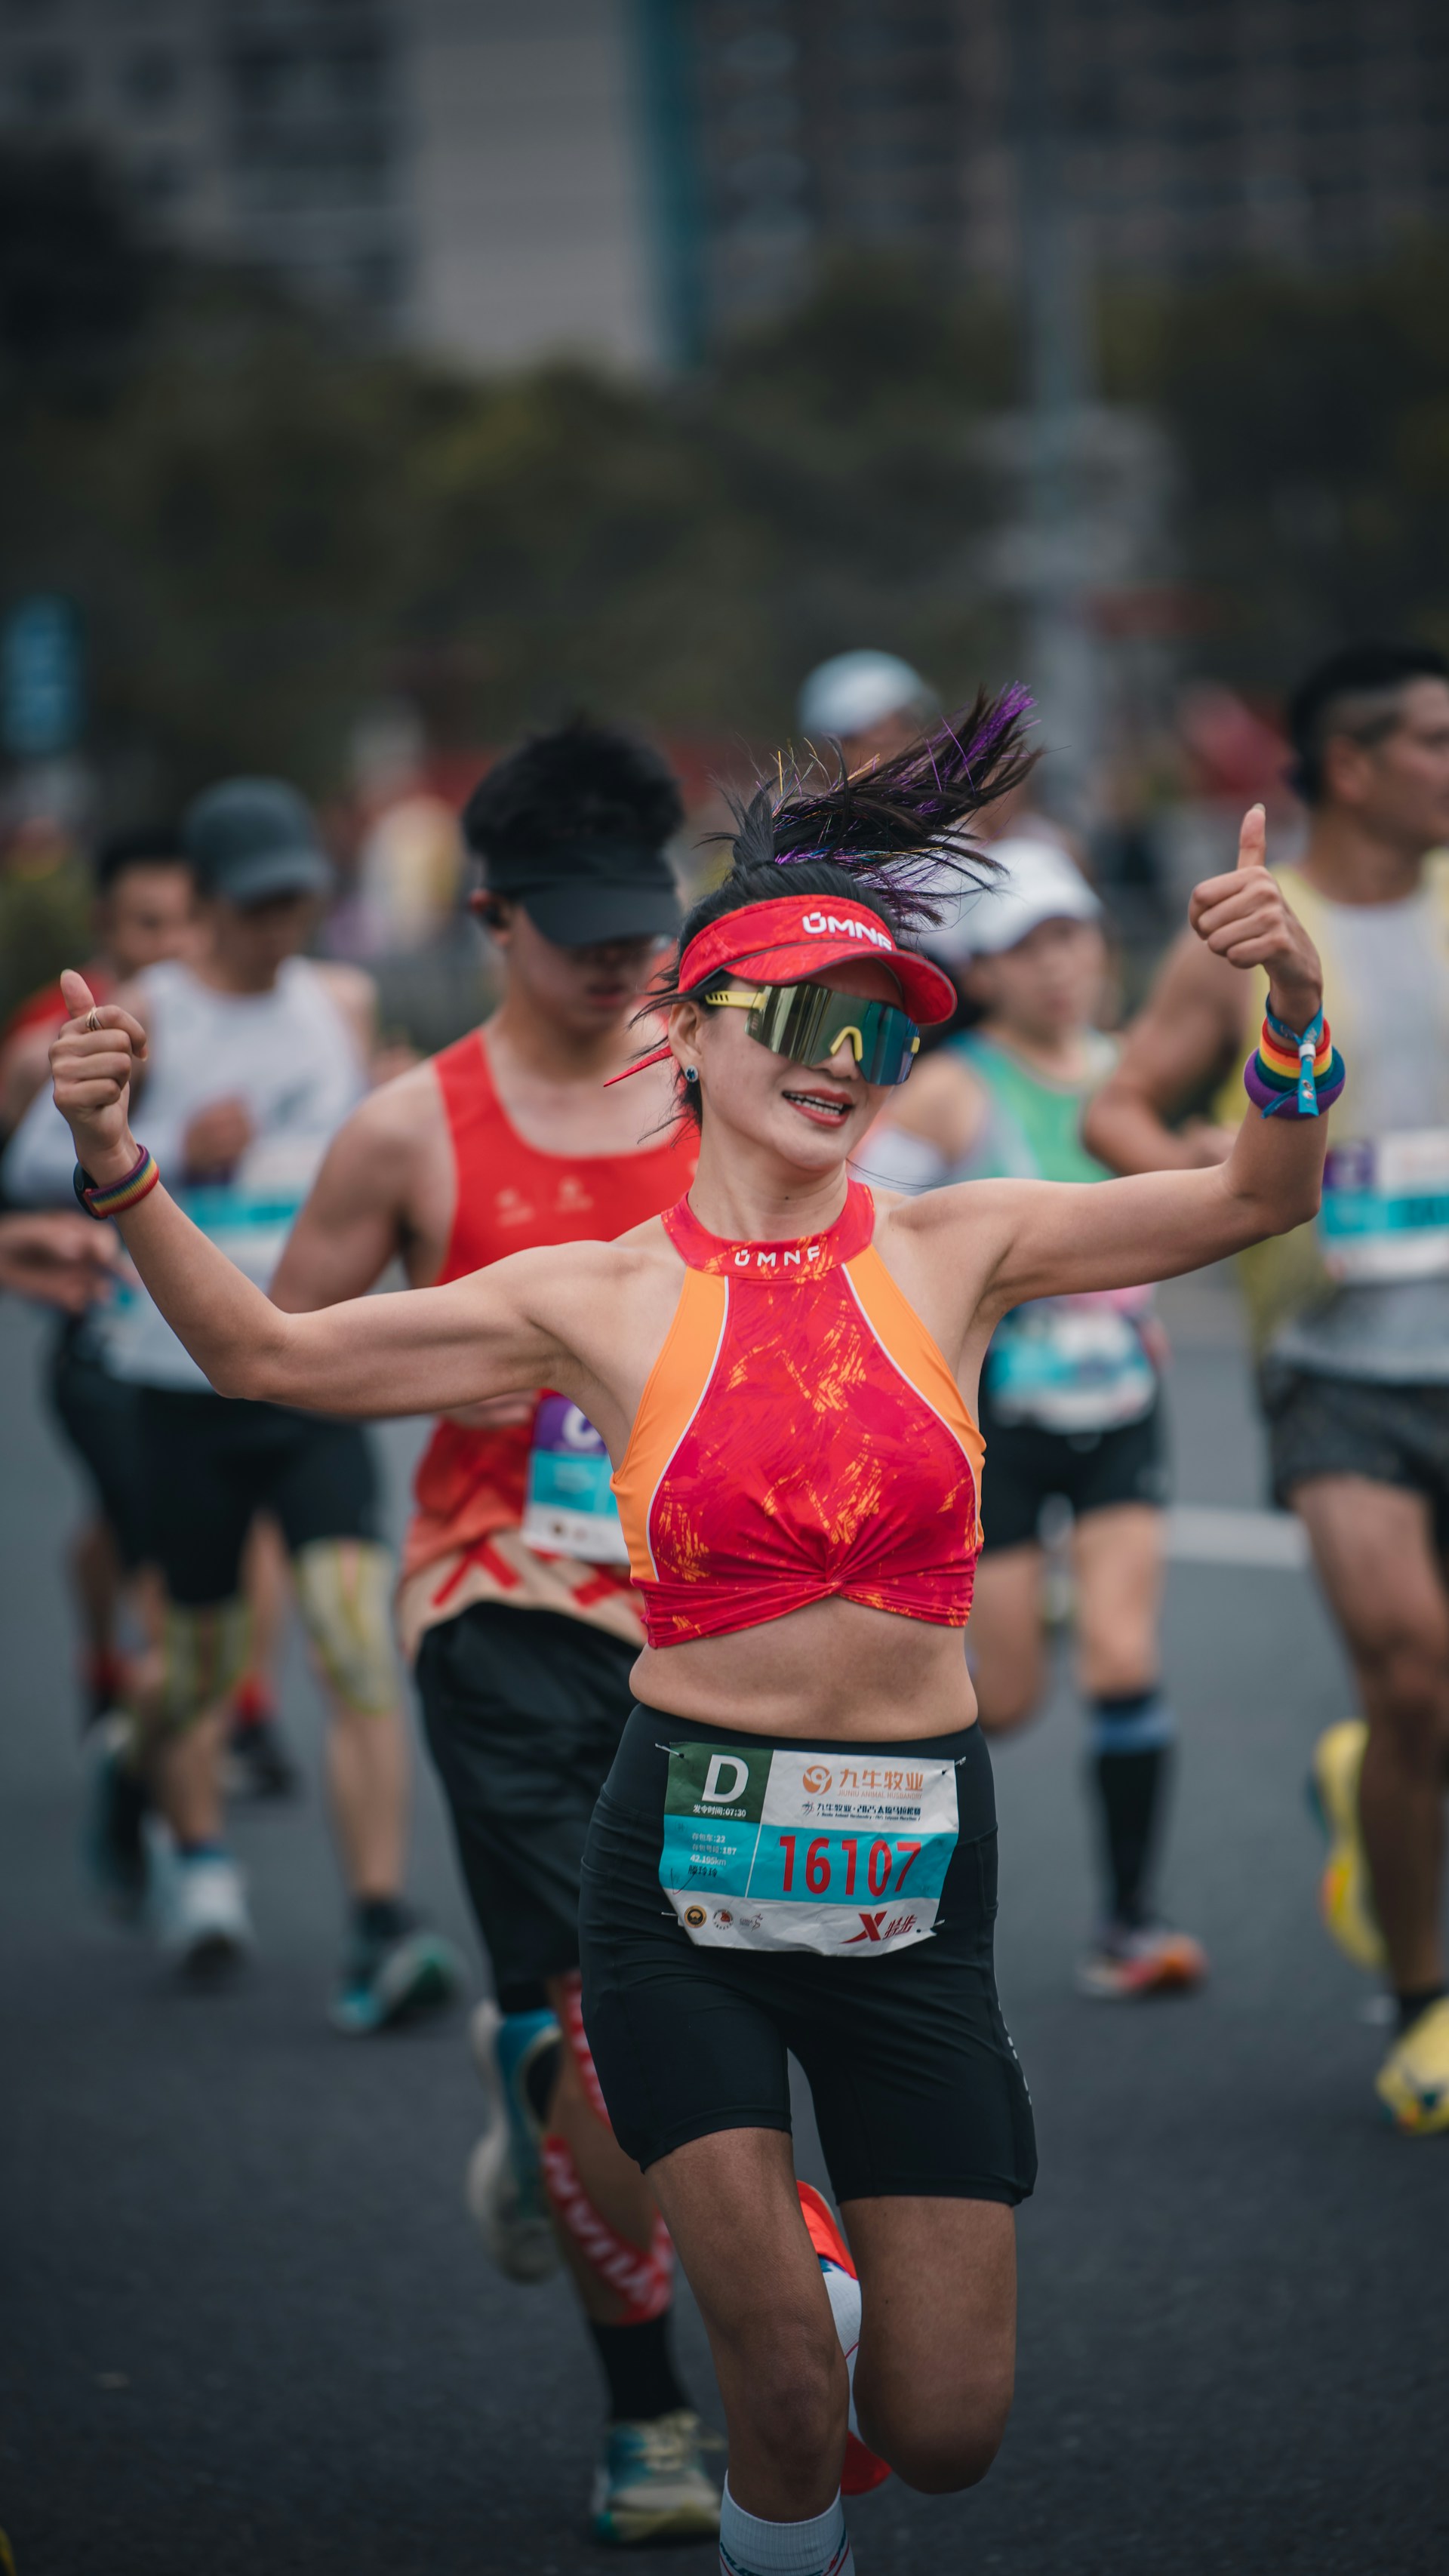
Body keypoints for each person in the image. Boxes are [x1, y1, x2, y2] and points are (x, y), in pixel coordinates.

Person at [45, 697, 1334, 2576]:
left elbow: (1252, 1190)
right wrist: (115, 1159)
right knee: (788, 2393)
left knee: (947, 2426)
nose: (847, 1060)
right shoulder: (595, 1291)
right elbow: (268, 1353)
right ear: (695, 1028)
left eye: (882, 1030)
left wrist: (1290, 1005)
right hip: (682, 1891)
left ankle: (804, 2252)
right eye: (808, 1022)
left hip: (912, 1897)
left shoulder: (959, 1241)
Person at [269, 719, 718, 2547]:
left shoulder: (723, 1084)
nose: (624, 960)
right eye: (584, 927)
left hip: (727, 1623)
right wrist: (507, 1349)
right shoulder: (407, 1129)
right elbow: (296, 1351)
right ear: (490, 919)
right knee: (618, 2045)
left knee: (708, 2032)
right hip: (506, 1617)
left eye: (648, 924)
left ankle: (530, 2075)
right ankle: (650, 2415)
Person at [8, 776, 458, 2030]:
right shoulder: (148, 1014)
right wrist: (148, 1132)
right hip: (177, 1381)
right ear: (200, 907)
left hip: (312, 1361)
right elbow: (37, 1161)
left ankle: (380, 1921)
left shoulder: (342, 999)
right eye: (256, 905)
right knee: (199, 1662)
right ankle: (173, 1818)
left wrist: (395, 1100)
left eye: (298, 899)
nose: (281, 926)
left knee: (357, 1635)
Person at [1084, 642, 1449, 2134]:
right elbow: (1119, 1101)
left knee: (1427, 1707)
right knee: (1418, 1666)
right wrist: (1231, 1184)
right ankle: (1426, 1998)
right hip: (1336, 1367)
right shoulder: (1253, 927)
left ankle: (1376, 1789)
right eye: (1434, 738)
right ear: (1352, 764)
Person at [857, 838, 1206, 1998]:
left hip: (1122, 1405)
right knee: (1002, 1699)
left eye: (1077, 935)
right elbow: (866, 1228)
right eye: (1028, 946)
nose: (1062, 965)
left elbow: (1215, 1185)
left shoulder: (1133, 1075)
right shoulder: (956, 1090)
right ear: (985, 971)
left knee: (1125, 1652)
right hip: (994, 1422)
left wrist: (1210, 1159)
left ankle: (1129, 1925)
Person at [2, 824, 197, 1737]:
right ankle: (125, 1690)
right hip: (108, 1332)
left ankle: (227, 1704)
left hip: (211, 1329)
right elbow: (29, 1176)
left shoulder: (238, 1014)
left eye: (184, 921)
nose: (167, 946)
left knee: (209, 1523)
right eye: (145, 925)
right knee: (142, 1533)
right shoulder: (56, 1034)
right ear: (103, 926)